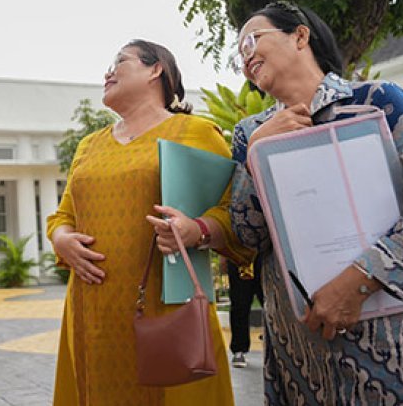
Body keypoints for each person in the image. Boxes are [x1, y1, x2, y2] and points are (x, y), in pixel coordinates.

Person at [228, 1, 403, 404]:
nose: (244, 56)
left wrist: (357, 283)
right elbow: (248, 233)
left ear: (300, 35)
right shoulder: (249, 133)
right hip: (305, 354)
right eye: (238, 54)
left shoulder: (376, 100)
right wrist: (257, 156)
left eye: (251, 40)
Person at [47, 39, 255, 405]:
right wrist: (62, 239)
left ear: (155, 69)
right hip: (93, 313)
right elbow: (63, 217)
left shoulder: (195, 133)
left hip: (168, 310)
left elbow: (237, 212)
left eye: (120, 61)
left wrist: (197, 230)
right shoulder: (89, 146)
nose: (107, 72)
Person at [225, 258, 263, 368]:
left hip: (265, 254)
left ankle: (277, 348)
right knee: (239, 302)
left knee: (272, 302)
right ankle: (239, 350)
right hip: (239, 254)